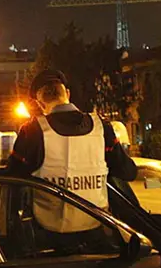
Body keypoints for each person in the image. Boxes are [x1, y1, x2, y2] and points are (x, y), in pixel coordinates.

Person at [8, 69, 137, 234]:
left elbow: (12, 178)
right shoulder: (101, 127)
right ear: (67, 93)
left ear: (40, 104)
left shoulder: (32, 131)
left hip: (48, 239)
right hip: (98, 232)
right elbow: (128, 172)